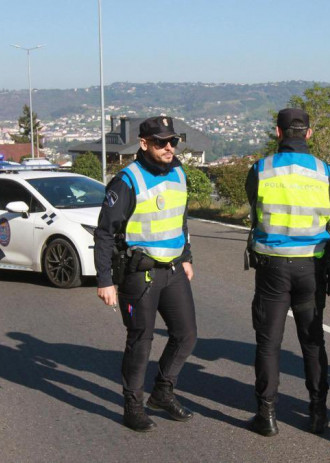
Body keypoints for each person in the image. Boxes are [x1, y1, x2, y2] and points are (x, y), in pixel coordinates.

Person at [95, 116, 197, 432]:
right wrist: (105, 280)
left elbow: (180, 220)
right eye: (161, 142)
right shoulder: (127, 181)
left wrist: (187, 257)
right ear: (143, 144)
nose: (169, 147)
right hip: (139, 275)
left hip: (173, 270)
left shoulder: (179, 172)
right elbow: (104, 233)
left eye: (173, 141)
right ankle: (133, 405)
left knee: (186, 335)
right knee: (141, 340)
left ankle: (163, 392)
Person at [245, 108, 330, 437]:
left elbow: (254, 204)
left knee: (268, 343)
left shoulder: (261, 169)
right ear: (309, 133)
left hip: (272, 264)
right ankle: (318, 413)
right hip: (312, 264)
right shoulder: (325, 170)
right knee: (313, 343)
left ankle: (266, 415)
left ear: (278, 132)